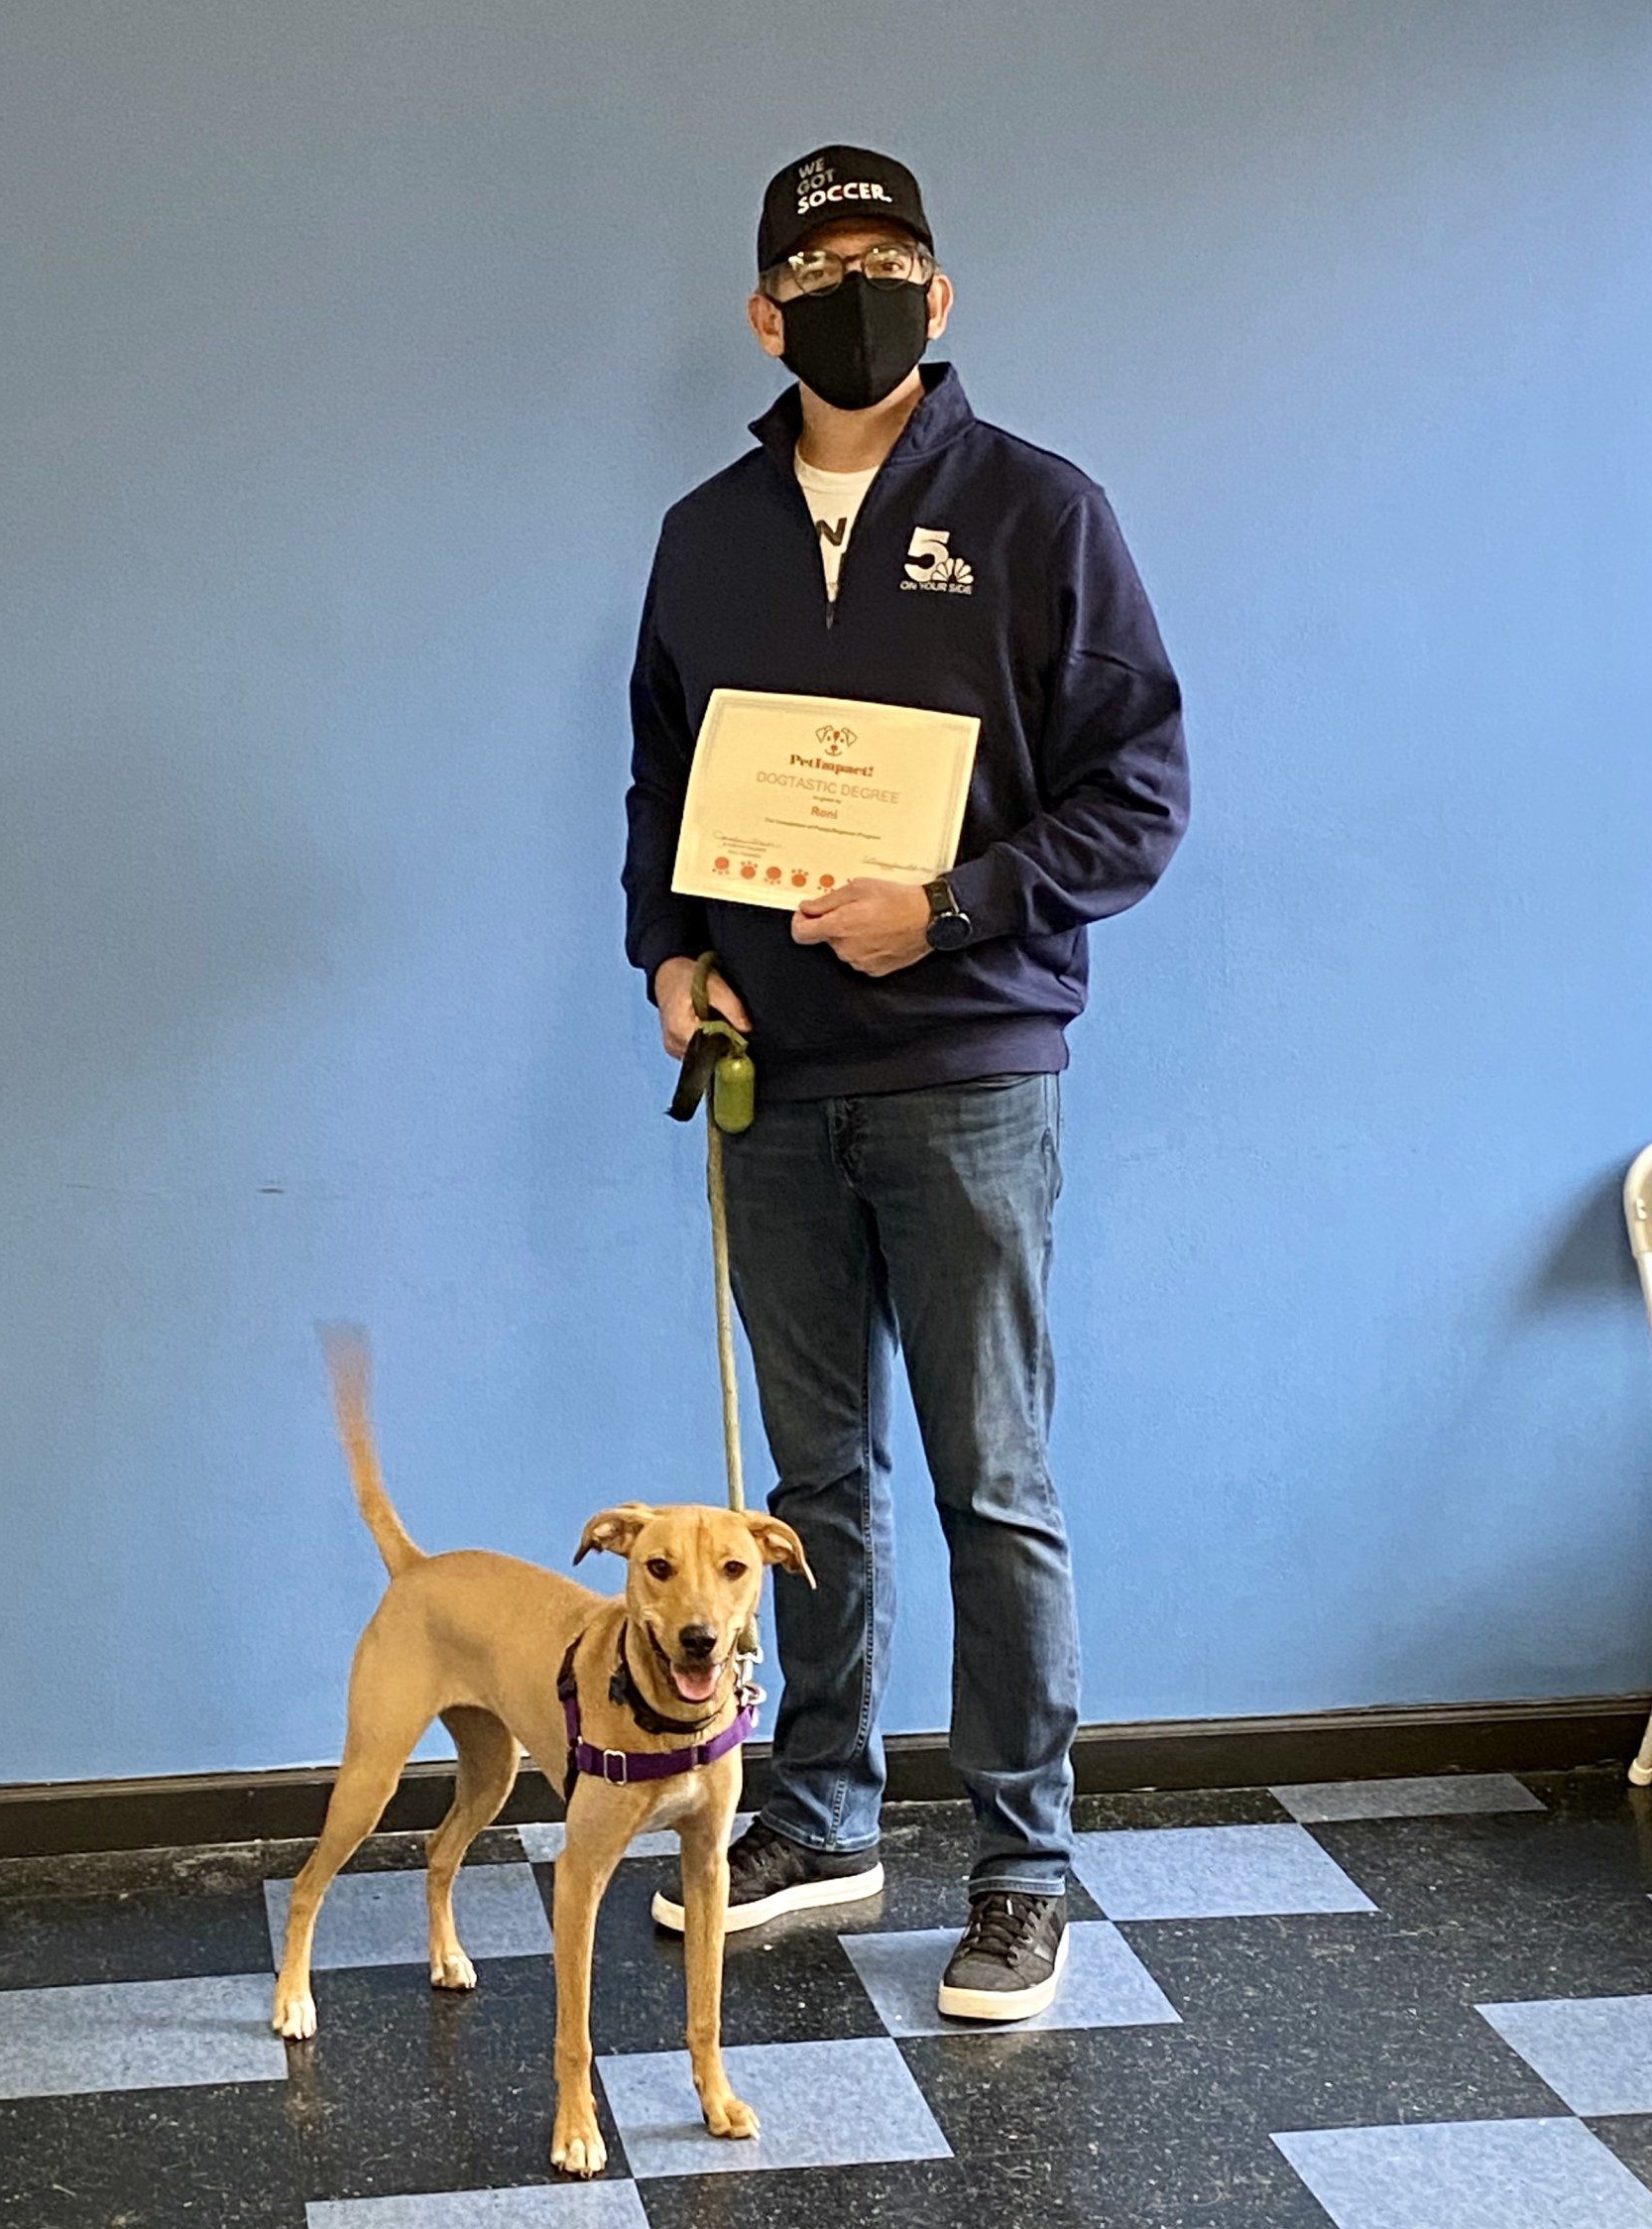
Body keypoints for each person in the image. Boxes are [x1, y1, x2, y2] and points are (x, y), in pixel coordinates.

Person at [620, 145, 1188, 2020]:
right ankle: (820, 1813)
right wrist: (670, 951)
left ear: (937, 298)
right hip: (772, 1085)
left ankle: (1024, 1865)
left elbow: (1138, 798)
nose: (855, 294)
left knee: (991, 1483)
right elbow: (660, 783)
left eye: (890, 263)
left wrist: (948, 908)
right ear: (765, 314)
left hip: (967, 1074)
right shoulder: (708, 533)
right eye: (818, 269)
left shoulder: (1042, 514)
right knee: (813, 1481)